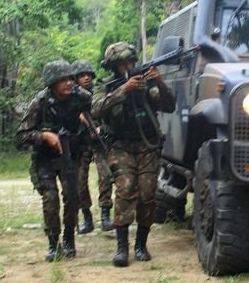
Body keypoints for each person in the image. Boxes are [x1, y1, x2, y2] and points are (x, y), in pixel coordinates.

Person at [92, 42, 175, 267]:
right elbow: (96, 108)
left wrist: (158, 81)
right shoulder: (106, 85)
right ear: (114, 67)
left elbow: (169, 105)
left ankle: (141, 244)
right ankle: (122, 248)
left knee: (148, 194)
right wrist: (123, 90)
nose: (128, 66)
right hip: (120, 146)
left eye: (131, 62)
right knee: (125, 189)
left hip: (147, 145)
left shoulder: (146, 84)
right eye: (123, 64)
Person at [16, 60, 92, 262]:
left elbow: (95, 113)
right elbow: (21, 135)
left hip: (70, 155)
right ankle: (53, 243)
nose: (69, 83)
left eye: (70, 78)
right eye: (63, 80)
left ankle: (69, 239)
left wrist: (90, 123)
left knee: (72, 199)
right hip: (45, 159)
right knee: (50, 201)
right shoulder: (40, 102)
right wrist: (44, 137)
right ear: (52, 83)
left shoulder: (82, 98)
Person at [71, 60, 114, 233]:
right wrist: (77, 117)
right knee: (79, 181)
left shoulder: (101, 90)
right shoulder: (70, 95)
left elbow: (111, 114)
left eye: (88, 74)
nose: (86, 78)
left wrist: (100, 128)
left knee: (105, 176)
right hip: (80, 143)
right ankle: (87, 217)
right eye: (82, 75)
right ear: (76, 78)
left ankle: (105, 215)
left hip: (98, 140)